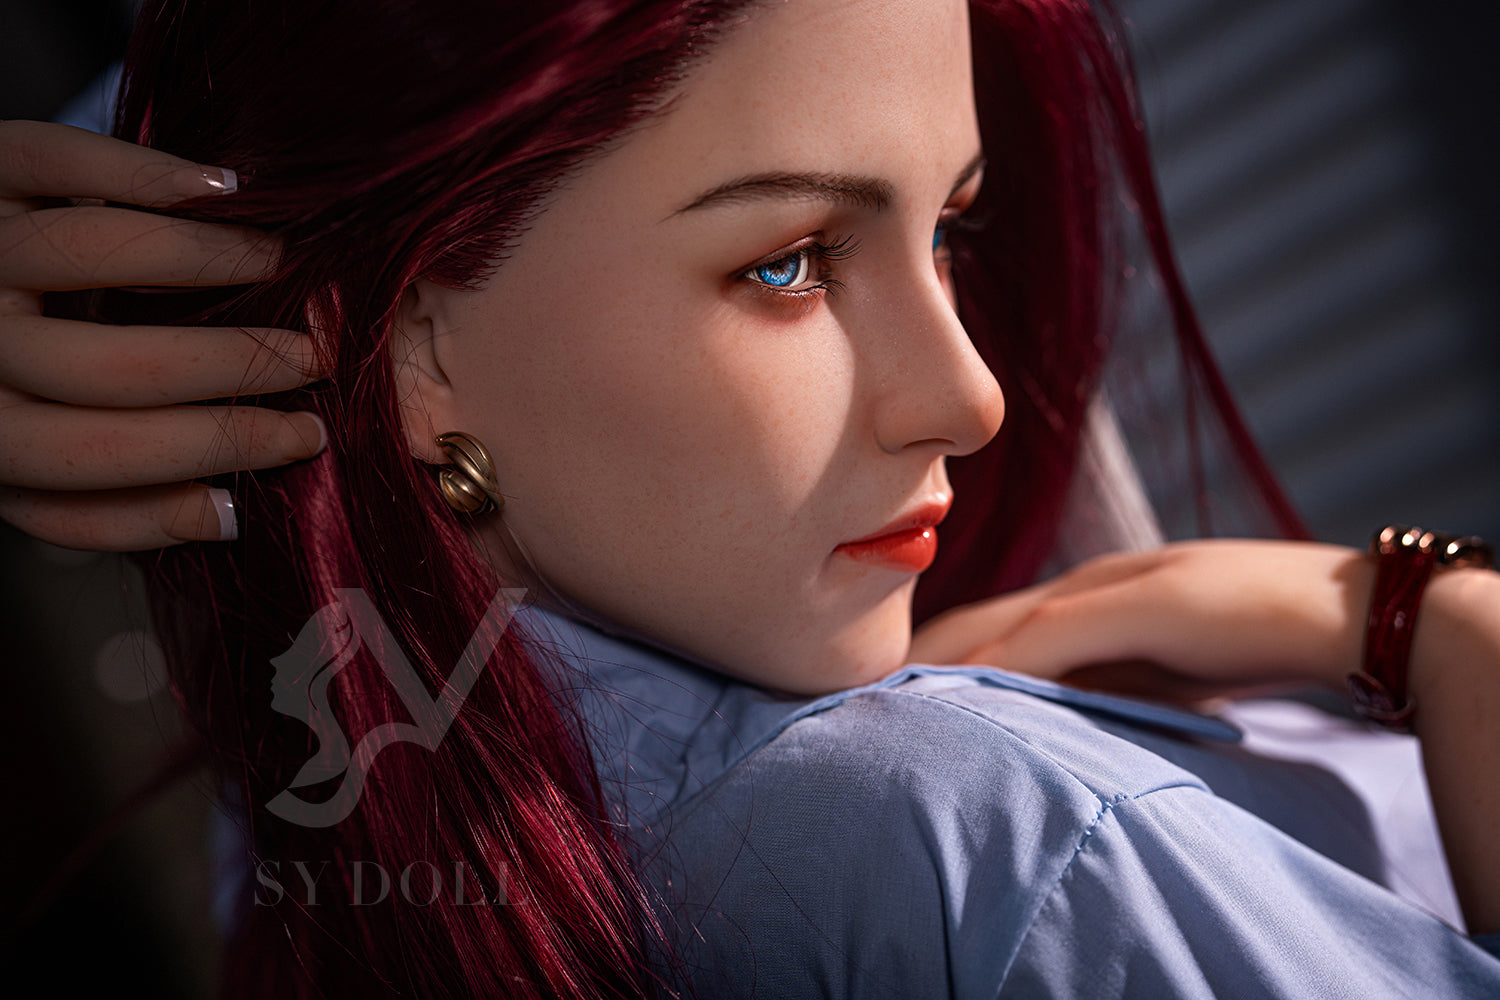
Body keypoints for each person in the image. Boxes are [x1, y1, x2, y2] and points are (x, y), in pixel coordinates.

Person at [2, 0, 1499, 996]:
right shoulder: (1011, 845)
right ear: (411, 353)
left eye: (952, 229)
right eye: (785, 263)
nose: (973, 394)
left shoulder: (366, 827)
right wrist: (1445, 630)